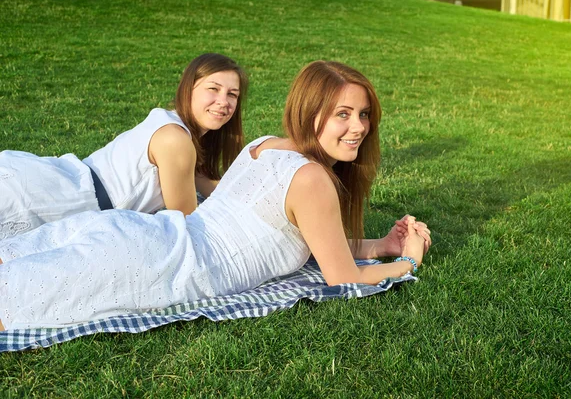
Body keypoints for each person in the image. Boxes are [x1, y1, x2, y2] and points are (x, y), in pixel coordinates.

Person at [0, 60, 431, 332]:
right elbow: (343, 277)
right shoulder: (313, 179)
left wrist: (381, 246)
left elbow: (321, 246)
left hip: (140, 233)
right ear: (310, 113)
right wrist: (408, 261)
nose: (358, 127)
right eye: (343, 114)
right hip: (162, 263)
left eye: (364, 115)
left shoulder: (263, 145)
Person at [0, 53, 248, 239]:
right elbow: (188, 223)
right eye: (213, 89)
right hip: (59, 199)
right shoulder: (175, 139)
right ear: (188, 90)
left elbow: (209, 186)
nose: (223, 102)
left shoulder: (176, 126)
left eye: (232, 94)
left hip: (66, 180)